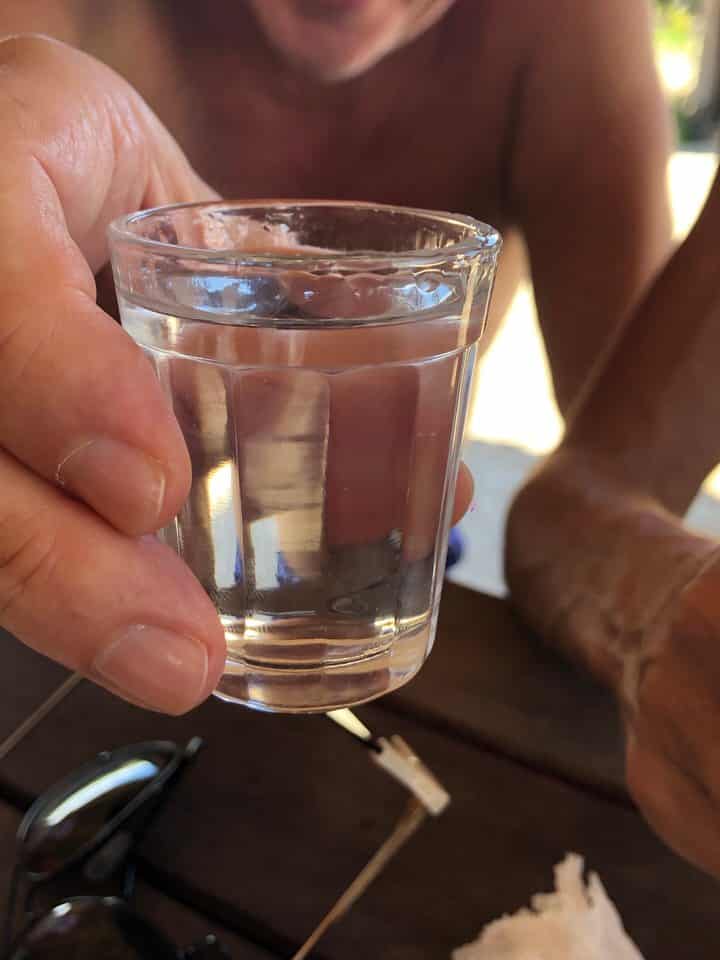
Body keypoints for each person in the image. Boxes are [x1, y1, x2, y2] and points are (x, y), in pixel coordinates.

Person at [0, 0, 716, 876]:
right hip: (84, 654)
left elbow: (611, 470)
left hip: (388, 586)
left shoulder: (573, 28)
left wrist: (664, 606)